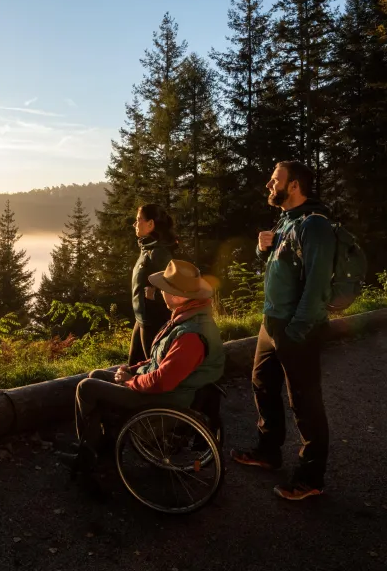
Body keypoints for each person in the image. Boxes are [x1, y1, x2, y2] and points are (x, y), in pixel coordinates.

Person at [61, 259, 225, 485]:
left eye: (164, 289)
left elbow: (162, 382)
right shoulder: (189, 317)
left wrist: (130, 380)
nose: (160, 292)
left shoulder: (191, 335)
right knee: (98, 375)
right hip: (164, 389)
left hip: (162, 398)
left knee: (86, 388)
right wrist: (133, 368)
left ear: (176, 296)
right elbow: (162, 360)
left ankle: (92, 459)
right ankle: (95, 449)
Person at [231, 160, 335, 501]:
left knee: (305, 403)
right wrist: (262, 250)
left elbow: (317, 286)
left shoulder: (315, 225)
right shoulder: (286, 219)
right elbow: (282, 268)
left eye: (275, 179)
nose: (268, 184)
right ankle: (268, 452)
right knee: (263, 385)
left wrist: (297, 330)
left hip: (296, 329)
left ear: (293, 186)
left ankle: (310, 478)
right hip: (270, 323)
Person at [129, 204, 179, 367]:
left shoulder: (159, 252)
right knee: (134, 366)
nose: (135, 224)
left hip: (153, 320)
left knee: (153, 368)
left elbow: (175, 285)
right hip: (142, 318)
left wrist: (154, 295)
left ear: (150, 224)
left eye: (138, 220)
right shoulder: (147, 248)